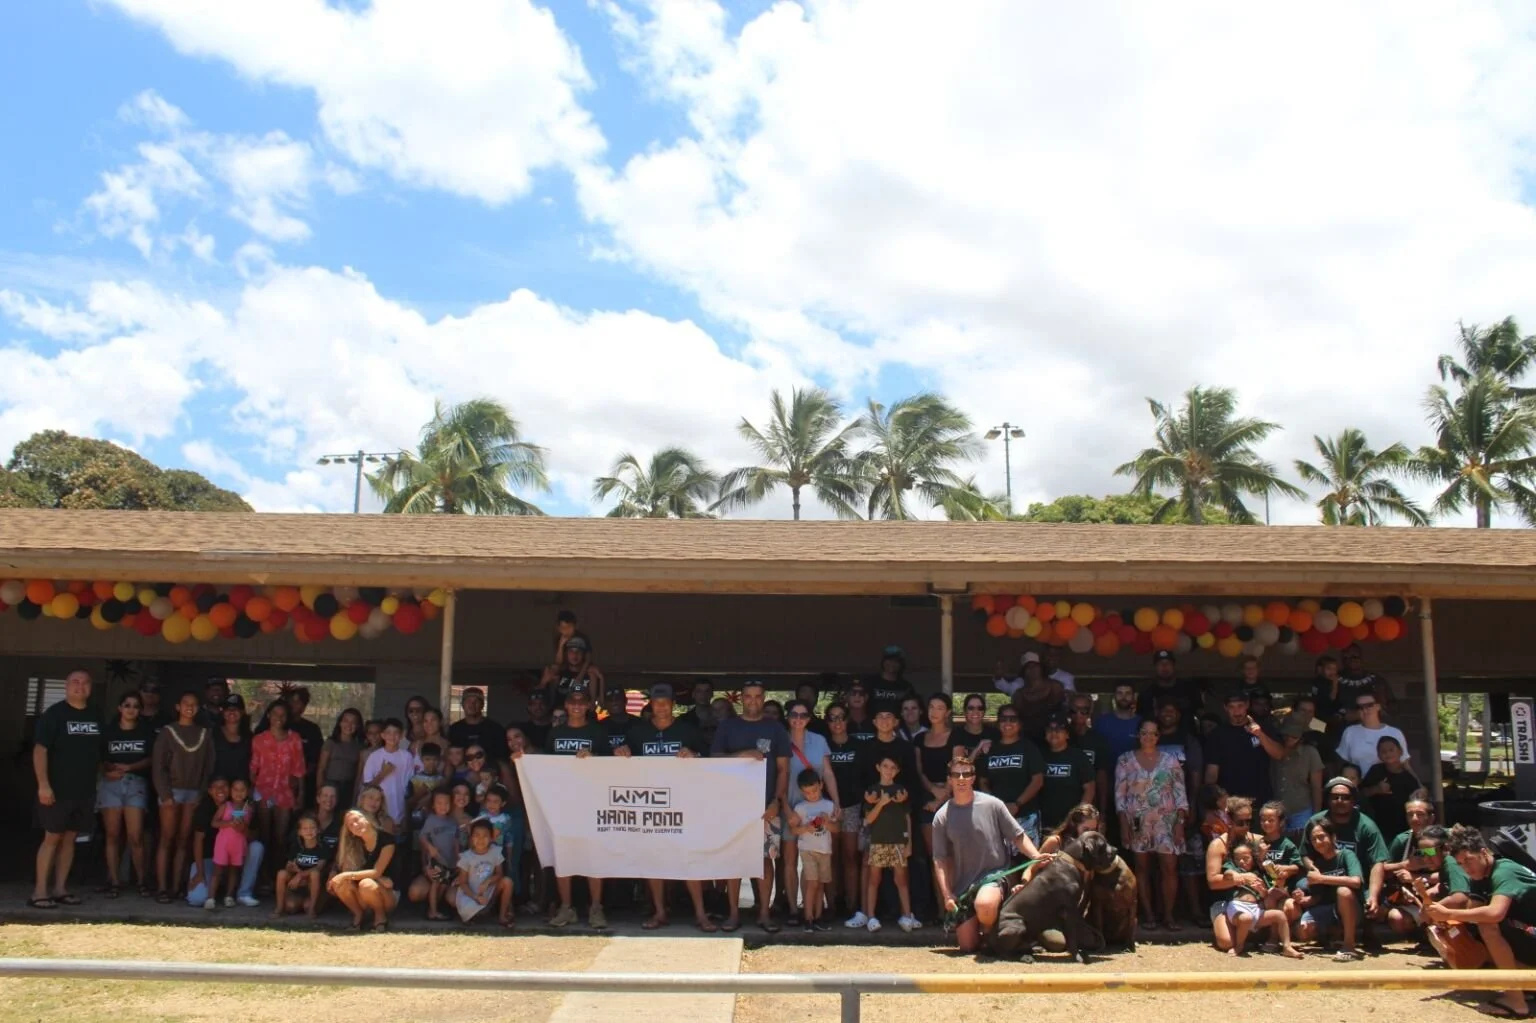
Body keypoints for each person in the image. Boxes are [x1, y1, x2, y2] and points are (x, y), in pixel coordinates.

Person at [610, 683, 715, 932]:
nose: (661, 706)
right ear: (651, 705)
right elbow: (620, 759)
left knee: (689, 859)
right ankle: (659, 912)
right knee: (654, 861)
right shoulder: (638, 732)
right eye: (656, 702)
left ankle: (701, 914)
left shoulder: (688, 730)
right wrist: (620, 751)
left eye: (665, 702)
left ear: (672, 704)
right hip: (651, 806)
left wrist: (695, 756)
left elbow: (710, 762)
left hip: (684, 804)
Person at [933, 755, 1043, 953]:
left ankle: (993, 931)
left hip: (995, 875)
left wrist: (1036, 856)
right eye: (956, 774)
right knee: (967, 946)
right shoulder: (941, 816)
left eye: (966, 774)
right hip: (964, 886)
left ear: (973, 778)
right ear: (949, 779)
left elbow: (1018, 836)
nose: (961, 779)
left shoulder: (994, 805)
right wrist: (947, 894)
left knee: (984, 904)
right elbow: (940, 859)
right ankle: (990, 932)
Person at [524, 688, 611, 929]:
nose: (576, 706)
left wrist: (593, 759)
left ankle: (596, 908)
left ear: (588, 706)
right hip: (561, 804)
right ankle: (566, 907)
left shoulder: (598, 732)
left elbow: (610, 768)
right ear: (566, 704)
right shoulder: (555, 733)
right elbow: (547, 767)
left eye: (581, 702)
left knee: (594, 857)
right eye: (572, 702)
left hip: (591, 803)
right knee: (563, 855)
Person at [1427, 825, 1536, 1016]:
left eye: (1468, 860)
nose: (1466, 868)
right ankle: (1526, 985)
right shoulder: (1480, 875)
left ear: (1483, 853)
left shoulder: (1504, 871)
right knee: (1476, 935)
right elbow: (1473, 912)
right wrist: (1445, 924)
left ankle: (1516, 1002)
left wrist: (1449, 914)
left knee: (1488, 926)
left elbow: (1494, 913)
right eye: (1460, 864)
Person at [711, 680, 790, 933]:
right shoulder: (727, 727)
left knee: (765, 862)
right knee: (735, 861)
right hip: (733, 807)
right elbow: (714, 759)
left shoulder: (775, 728)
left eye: (758, 696)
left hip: (766, 806)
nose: (753, 701)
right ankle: (733, 915)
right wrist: (741, 754)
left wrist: (777, 801)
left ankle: (764, 913)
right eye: (748, 696)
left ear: (764, 697)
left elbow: (783, 769)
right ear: (741, 699)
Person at [30, 668, 102, 909]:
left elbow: (98, 752)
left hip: (84, 791)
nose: (80, 686)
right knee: (51, 838)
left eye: (85, 682)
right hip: (57, 790)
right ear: (66, 686)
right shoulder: (54, 714)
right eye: (75, 682)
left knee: (70, 839)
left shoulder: (96, 715)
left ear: (91, 687)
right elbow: (40, 750)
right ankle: (40, 892)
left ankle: (60, 889)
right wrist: (43, 784)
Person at [1116, 719, 1189, 931]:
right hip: (1137, 821)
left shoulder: (1170, 760)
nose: (1149, 737)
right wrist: (1123, 823)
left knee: (1169, 867)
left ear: (1159, 736)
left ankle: (1168, 915)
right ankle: (1148, 915)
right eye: (1145, 733)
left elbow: (1180, 793)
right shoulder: (1125, 761)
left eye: (1154, 733)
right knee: (1142, 867)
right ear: (1138, 735)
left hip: (1167, 820)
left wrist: (1180, 822)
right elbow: (1120, 795)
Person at [779, 697, 838, 926]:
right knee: (790, 860)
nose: (798, 719)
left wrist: (836, 801)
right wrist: (785, 808)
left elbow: (828, 773)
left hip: (814, 809)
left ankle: (808, 911)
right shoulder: (781, 741)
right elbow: (778, 777)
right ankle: (793, 909)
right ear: (788, 717)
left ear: (809, 718)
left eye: (803, 715)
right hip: (791, 809)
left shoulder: (819, 740)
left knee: (811, 859)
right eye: (794, 715)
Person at [152, 690, 214, 904]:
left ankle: (176, 886)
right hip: (172, 792)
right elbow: (158, 766)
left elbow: (208, 767)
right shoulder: (168, 732)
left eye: (194, 703)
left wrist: (202, 792)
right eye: (185, 703)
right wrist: (165, 794)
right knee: (166, 839)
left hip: (193, 793)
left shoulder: (204, 734)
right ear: (178, 706)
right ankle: (161, 887)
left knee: (183, 841)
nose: (190, 707)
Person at [852, 752, 919, 933]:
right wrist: (880, 803)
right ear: (878, 768)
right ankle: (871, 916)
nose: (888, 771)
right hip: (878, 842)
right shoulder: (872, 791)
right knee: (874, 879)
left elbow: (907, 818)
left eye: (892, 768)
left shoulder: (901, 791)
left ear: (897, 771)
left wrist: (909, 843)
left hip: (898, 842)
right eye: (885, 766)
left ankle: (907, 915)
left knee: (901, 880)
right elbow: (869, 819)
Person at [1308, 777, 1390, 921]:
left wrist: (1373, 896)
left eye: (1346, 797)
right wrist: (1314, 871)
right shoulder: (1315, 822)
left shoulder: (1367, 826)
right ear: (1327, 799)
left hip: (1357, 886)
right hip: (1322, 885)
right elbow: (1304, 853)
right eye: (1335, 797)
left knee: (1376, 910)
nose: (1340, 801)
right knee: (1305, 930)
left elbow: (1377, 863)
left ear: (1353, 800)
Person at [99, 688, 153, 898]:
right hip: (110, 784)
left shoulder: (145, 731)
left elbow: (151, 758)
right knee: (112, 835)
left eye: (136, 706)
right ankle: (114, 880)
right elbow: (101, 758)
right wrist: (109, 769)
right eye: (127, 705)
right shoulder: (108, 731)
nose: (131, 709)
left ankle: (141, 881)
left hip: (135, 784)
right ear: (119, 708)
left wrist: (129, 768)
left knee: (135, 835)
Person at [250, 699, 305, 884]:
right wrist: (250, 794)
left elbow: (299, 769)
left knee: (281, 837)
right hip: (263, 791)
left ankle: (278, 876)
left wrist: (301, 795)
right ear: (268, 716)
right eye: (275, 714)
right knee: (264, 835)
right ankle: (263, 876)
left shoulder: (294, 738)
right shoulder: (259, 739)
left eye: (282, 715)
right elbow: (253, 767)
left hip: (285, 793)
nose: (278, 718)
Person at [977, 705, 1045, 847]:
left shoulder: (1029, 747)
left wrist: (1017, 804)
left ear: (1020, 724)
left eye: (1013, 719)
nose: (1008, 723)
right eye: (1003, 719)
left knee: (1027, 864)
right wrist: (997, 805)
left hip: (1026, 815)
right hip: (997, 817)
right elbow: (982, 781)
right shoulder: (991, 749)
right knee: (1000, 865)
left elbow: (1037, 780)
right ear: (998, 723)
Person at [1297, 818, 1365, 960]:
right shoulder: (1318, 864)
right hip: (1329, 909)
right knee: (1304, 932)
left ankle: (1349, 946)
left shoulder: (1346, 855)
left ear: (1332, 837)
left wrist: (1322, 878)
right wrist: (1301, 898)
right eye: (1314, 839)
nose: (1318, 842)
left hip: (1352, 909)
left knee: (1343, 891)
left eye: (1321, 837)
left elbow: (1356, 881)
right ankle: (1332, 936)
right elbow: (1317, 897)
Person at [1225, 840, 1303, 957]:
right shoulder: (1235, 869)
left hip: (1256, 909)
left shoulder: (1258, 873)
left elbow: (1265, 896)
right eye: (1237, 859)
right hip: (1237, 907)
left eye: (1246, 858)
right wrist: (1237, 876)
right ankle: (1239, 946)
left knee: (1279, 915)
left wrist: (1261, 891)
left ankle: (1287, 947)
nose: (1241, 861)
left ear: (1253, 858)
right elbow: (1227, 873)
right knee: (1246, 918)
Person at [1203, 690, 1282, 802]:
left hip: (1260, 799)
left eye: (1240, 706)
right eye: (1232, 707)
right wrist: (1211, 801)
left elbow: (1279, 754)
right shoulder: (1217, 735)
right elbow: (1211, 771)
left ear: (1247, 705)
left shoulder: (1263, 728)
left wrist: (1260, 735)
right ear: (1225, 708)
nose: (1236, 711)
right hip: (1230, 802)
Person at [824, 702, 863, 919]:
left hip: (853, 806)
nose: (837, 722)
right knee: (830, 857)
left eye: (840, 717)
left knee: (850, 857)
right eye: (832, 718)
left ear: (847, 720)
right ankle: (831, 905)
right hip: (828, 807)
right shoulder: (824, 744)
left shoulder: (859, 745)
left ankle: (852, 904)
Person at [328, 808, 397, 930]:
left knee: (366, 884)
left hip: (388, 893)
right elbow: (347, 869)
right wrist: (342, 877)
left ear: (368, 819)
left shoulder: (387, 840)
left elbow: (376, 872)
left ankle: (380, 917)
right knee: (341, 883)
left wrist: (345, 875)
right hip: (364, 893)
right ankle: (358, 915)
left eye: (357, 819)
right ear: (351, 832)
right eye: (350, 825)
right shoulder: (354, 844)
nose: (355, 825)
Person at [1205, 796, 1255, 950]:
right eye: (1241, 822)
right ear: (1229, 820)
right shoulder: (1217, 846)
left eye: (1249, 822)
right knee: (1226, 943)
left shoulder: (1256, 840)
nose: (1246, 826)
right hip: (1224, 900)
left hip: (1252, 899)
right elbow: (1213, 882)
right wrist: (1240, 878)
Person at [409, 787, 460, 921]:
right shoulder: (431, 820)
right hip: (436, 859)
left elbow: (455, 841)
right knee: (436, 883)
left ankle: (435, 907)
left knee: (443, 885)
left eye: (446, 803)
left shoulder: (452, 822)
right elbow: (422, 837)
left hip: (449, 860)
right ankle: (432, 911)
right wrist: (430, 848)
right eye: (439, 803)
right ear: (433, 805)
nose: (443, 806)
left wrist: (458, 857)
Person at [1038, 713, 1094, 834]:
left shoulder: (1078, 756)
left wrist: (1081, 816)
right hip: (1043, 823)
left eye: (1059, 730)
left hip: (1070, 824)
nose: (1054, 733)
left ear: (1067, 734)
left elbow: (1089, 787)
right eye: (1050, 730)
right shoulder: (1038, 755)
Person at [454, 818, 514, 927]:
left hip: (489, 892)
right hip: (472, 894)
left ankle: (502, 916)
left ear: (491, 838)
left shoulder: (495, 852)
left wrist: (488, 881)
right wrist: (475, 897)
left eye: (485, 836)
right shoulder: (466, 857)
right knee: (466, 909)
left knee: (507, 882)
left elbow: (500, 874)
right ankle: (477, 913)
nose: (481, 839)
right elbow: (463, 883)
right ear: (471, 838)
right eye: (476, 835)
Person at [360, 718, 415, 834]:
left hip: (399, 809)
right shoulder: (374, 757)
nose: (392, 736)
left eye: (396, 733)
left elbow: (409, 787)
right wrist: (383, 773)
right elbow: (367, 787)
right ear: (383, 735)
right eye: (388, 733)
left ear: (401, 735)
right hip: (378, 811)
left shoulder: (407, 757)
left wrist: (406, 814)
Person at [1269, 717, 1325, 833]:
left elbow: (1316, 787)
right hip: (1277, 812)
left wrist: (1317, 816)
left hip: (1301, 811)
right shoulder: (1274, 750)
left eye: (1293, 736)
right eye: (1286, 735)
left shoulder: (1311, 753)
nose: (1288, 738)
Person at [1360, 736, 1421, 840]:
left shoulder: (1409, 778)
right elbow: (1360, 794)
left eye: (1391, 750)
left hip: (1403, 828)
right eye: (1383, 751)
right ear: (1379, 755)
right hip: (1378, 827)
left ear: (1401, 751)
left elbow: (1416, 802)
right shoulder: (1376, 771)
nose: (1387, 753)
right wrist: (1376, 789)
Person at [272, 812, 330, 919]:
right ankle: (279, 908)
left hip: (312, 884)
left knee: (314, 874)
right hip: (297, 885)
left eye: (312, 828)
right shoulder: (296, 847)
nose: (309, 831)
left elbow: (319, 867)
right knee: (282, 875)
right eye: (305, 828)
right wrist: (295, 871)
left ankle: (312, 909)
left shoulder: (323, 847)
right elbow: (288, 866)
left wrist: (300, 875)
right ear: (299, 832)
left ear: (318, 830)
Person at [1337, 692, 1409, 773]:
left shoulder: (1395, 733)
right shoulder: (1349, 732)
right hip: (1359, 783)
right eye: (1360, 707)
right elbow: (1343, 764)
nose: (1365, 710)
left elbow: (1404, 764)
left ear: (1378, 706)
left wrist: (1418, 784)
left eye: (1369, 705)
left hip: (1388, 783)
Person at [209, 777, 253, 908]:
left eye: (242, 790)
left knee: (234, 871)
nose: (238, 793)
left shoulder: (248, 808)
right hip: (223, 844)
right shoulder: (225, 806)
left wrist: (240, 825)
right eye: (235, 789)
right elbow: (214, 822)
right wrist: (229, 823)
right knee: (218, 871)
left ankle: (229, 896)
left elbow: (246, 828)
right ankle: (210, 898)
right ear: (231, 791)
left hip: (238, 844)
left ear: (247, 792)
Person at [1068, 693, 1112, 822]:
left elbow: (1102, 777)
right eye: (1074, 710)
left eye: (1084, 710)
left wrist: (1103, 811)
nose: (1079, 714)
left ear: (1090, 712)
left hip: (1089, 807)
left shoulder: (1097, 740)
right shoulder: (1059, 736)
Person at [541, 634, 607, 706]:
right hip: (560, 715)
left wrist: (601, 678)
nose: (575, 654)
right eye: (571, 651)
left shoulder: (591, 674)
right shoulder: (558, 674)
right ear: (565, 653)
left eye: (579, 651)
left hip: (585, 715)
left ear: (584, 654)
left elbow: (599, 707)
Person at [448, 688, 508, 765]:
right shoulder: (454, 729)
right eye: (468, 701)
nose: (472, 705)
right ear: (462, 704)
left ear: (482, 705)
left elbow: (502, 759)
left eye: (476, 701)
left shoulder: (495, 729)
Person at [317, 708, 365, 801]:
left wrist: (355, 793)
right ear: (340, 723)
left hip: (348, 787)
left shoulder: (360, 747)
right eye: (346, 721)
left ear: (358, 726)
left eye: (353, 722)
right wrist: (320, 789)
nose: (349, 725)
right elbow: (321, 768)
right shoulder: (330, 743)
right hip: (330, 785)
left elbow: (358, 774)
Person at [1138, 651, 1200, 722]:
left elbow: (1200, 714)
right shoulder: (1146, 693)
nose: (1164, 666)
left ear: (1174, 666)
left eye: (1168, 663)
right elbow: (1140, 719)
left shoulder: (1189, 689)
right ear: (1155, 667)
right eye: (1160, 664)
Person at [1095, 683, 1142, 765]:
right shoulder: (1102, 722)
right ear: (1114, 696)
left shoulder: (1142, 723)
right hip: (1106, 774)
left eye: (1128, 693)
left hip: (1135, 775)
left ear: (1133, 697)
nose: (1124, 697)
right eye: (1120, 693)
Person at [211, 693, 252, 785]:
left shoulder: (249, 737)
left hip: (240, 790)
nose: (232, 712)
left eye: (236, 709)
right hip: (217, 789)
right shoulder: (212, 733)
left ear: (242, 712)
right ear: (222, 712)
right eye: (228, 709)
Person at [956, 693, 997, 758]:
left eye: (980, 708)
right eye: (971, 708)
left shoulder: (995, 734)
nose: (976, 711)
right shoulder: (956, 734)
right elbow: (959, 766)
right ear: (964, 711)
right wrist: (978, 747)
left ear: (984, 712)